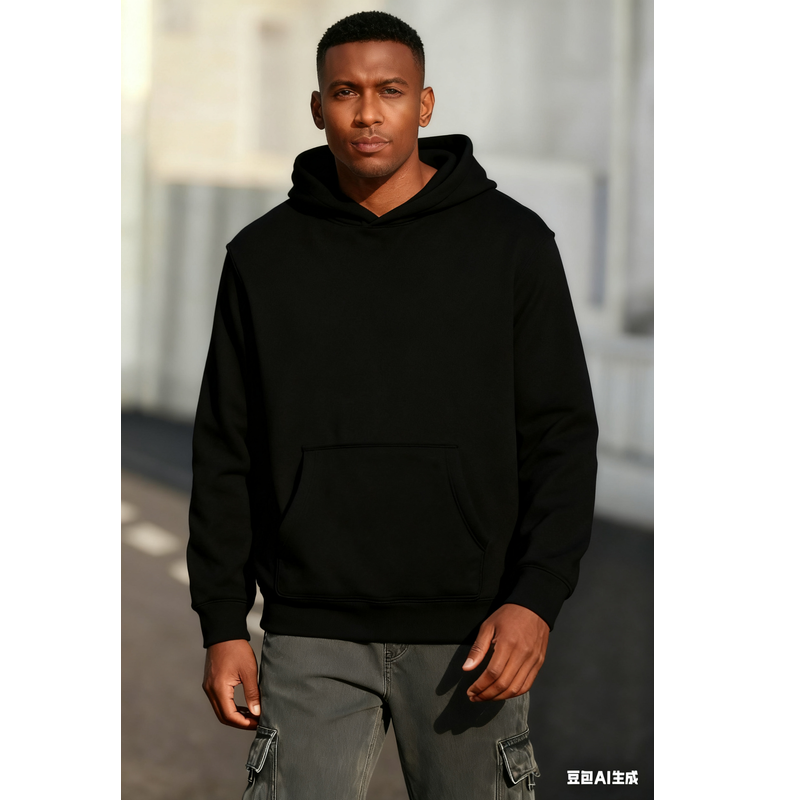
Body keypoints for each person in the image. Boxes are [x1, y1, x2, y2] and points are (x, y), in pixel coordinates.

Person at [187, 10, 598, 799]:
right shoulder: (264, 259)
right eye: (346, 92)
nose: (368, 113)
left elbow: (560, 438)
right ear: (318, 108)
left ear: (425, 104)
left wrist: (535, 601)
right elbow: (226, 450)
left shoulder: (512, 245)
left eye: (390, 91)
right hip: (310, 634)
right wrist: (221, 623)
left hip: (471, 636)